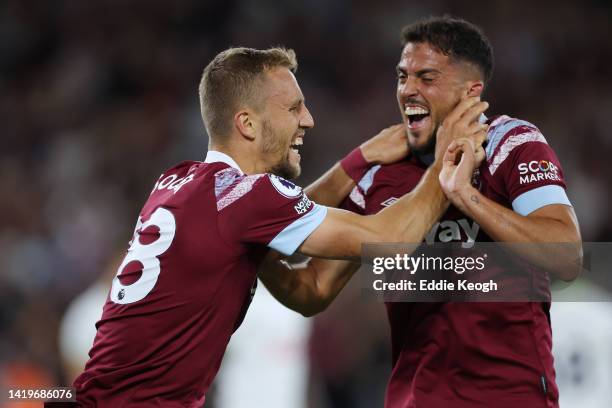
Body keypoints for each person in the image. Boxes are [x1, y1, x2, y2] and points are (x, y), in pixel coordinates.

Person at [71, 47, 487, 407]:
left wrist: (358, 161)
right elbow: (388, 239)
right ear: (247, 124)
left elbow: (282, 221)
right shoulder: (248, 200)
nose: (307, 119)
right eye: (292, 108)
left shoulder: (178, 180)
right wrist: (446, 161)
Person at [258, 17, 582, 408]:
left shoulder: (513, 145)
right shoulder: (379, 176)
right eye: (402, 77)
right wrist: (253, 249)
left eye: (426, 78)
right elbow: (312, 289)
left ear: (470, 92)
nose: (408, 90)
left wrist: (464, 195)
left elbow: (567, 255)